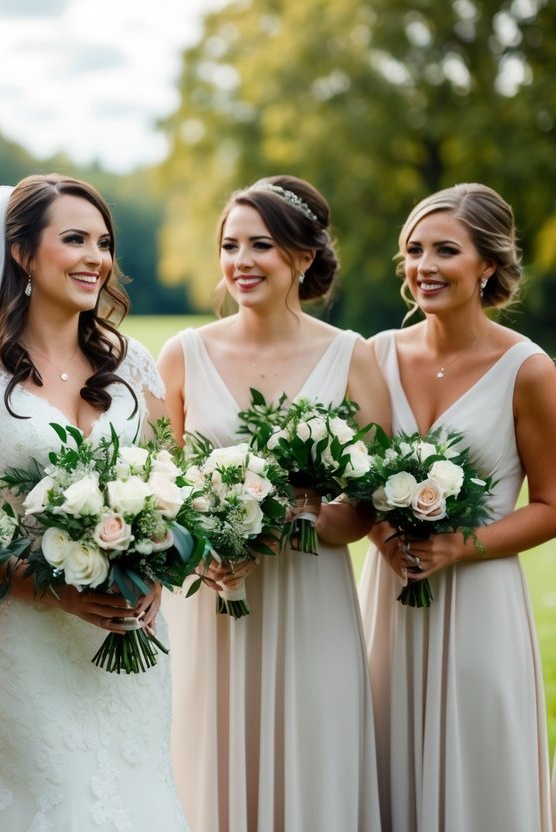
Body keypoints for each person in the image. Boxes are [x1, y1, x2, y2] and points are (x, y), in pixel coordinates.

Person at [0, 174, 188, 831]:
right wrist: (58, 591)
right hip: (28, 651)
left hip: (133, 641)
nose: (95, 258)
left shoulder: (136, 371)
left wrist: (154, 572)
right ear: (21, 253)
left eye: (102, 242)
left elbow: (175, 495)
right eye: (73, 239)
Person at [158, 175, 387, 831]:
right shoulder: (182, 355)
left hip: (309, 599)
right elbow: (159, 498)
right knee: (204, 769)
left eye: (259, 245)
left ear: (303, 257)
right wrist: (200, 554)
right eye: (229, 245)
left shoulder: (352, 357)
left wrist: (303, 516)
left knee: (311, 770)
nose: (239, 262)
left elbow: (368, 508)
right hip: (211, 600)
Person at [358, 183, 555, 831]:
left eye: (445, 250)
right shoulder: (374, 355)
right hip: (387, 596)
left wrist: (458, 545)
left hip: (478, 602)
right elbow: (354, 479)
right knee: (382, 765)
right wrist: (383, 533)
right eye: (413, 250)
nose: (423, 266)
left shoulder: (527, 370)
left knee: (477, 779)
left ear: (487, 266)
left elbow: (551, 504)